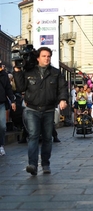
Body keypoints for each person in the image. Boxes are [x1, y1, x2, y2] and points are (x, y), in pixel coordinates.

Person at [13, 47, 68, 175]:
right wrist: (17, 70)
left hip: (49, 109)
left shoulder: (55, 72)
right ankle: (32, 164)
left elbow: (62, 88)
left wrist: (63, 99)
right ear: (38, 58)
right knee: (33, 136)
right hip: (32, 109)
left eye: (48, 56)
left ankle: (45, 164)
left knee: (48, 138)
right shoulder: (29, 71)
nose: (47, 58)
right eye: (44, 56)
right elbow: (20, 87)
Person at [0, 63, 16, 156]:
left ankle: (1, 145)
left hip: (1, 103)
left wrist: (12, 101)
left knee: (2, 126)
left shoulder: (3, 75)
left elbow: (8, 89)